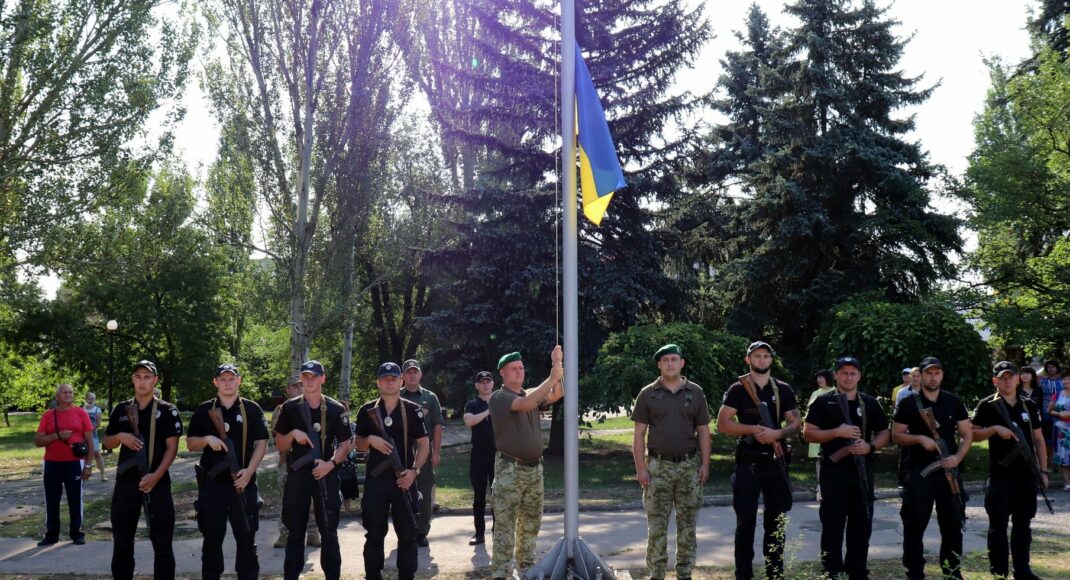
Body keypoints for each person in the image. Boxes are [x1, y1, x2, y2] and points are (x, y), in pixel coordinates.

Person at [716, 341, 800, 580]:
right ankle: (744, 575)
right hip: (749, 464)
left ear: (771, 360)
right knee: (746, 524)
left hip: (776, 462)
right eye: (757, 356)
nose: (762, 360)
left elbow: (795, 423)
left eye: (766, 356)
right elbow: (723, 424)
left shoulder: (782, 389)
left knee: (776, 524)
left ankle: (775, 574)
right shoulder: (738, 389)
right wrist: (752, 429)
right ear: (748, 360)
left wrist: (778, 434)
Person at [803, 356, 890, 579]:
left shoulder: (869, 403)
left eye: (853, 373)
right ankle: (831, 571)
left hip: (862, 471)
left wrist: (869, 447)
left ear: (859, 376)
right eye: (844, 372)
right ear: (836, 375)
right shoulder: (823, 402)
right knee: (832, 525)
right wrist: (836, 432)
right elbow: (808, 433)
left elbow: (884, 432)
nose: (848, 377)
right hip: (834, 473)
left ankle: (857, 571)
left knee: (862, 524)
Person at [631, 344, 711, 580]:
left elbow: (704, 432)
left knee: (688, 526)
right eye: (665, 360)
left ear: (682, 363)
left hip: (689, 467)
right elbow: (638, 434)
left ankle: (684, 573)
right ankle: (656, 573)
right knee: (657, 526)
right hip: (658, 467)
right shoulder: (648, 393)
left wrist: (705, 465)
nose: (670, 364)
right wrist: (640, 468)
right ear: (659, 364)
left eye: (674, 359)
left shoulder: (695, 392)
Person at [186, 363, 270, 580]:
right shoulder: (204, 410)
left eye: (231, 378)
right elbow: (190, 443)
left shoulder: (252, 409)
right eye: (222, 379)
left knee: (247, 541)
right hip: (213, 486)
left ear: (239, 381)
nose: (227, 383)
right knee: (212, 541)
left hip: (244, 483)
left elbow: (262, 442)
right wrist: (207, 439)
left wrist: (250, 471)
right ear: (215, 382)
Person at [892, 356, 972, 580]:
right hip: (919, 472)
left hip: (949, 472)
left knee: (952, 525)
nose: (933, 376)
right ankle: (915, 572)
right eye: (928, 373)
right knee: (914, 525)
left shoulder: (953, 401)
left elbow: (967, 434)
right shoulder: (908, 402)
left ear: (942, 375)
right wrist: (919, 439)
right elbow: (896, 435)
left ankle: (952, 572)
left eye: (937, 373)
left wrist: (957, 457)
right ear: (921, 375)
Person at [274, 360, 353, 580]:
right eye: (305, 377)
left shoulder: (336, 409)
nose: (309, 381)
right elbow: (280, 444)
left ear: (322, 379)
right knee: (295, 533)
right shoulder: (289, 408)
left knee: (329, 532)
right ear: (301, 379)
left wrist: (331, 464)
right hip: (298, 476)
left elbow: (346, 444)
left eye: (314, 377)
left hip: (325, 473)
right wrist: (292, 435)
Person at [103, 360, 182, 580]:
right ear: (133, 379)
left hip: (157, 483)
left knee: (163, 545)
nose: (142, 381)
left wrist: (155, 476)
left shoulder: (168, 411)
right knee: (122, 544)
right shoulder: (121, 409)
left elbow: (172, 448)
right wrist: (120, 436)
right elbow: (107, 442)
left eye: (147, 377)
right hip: (126, 484)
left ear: (155, 380)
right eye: (138, 376)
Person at [489, 347, 564, 580]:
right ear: (503, 373)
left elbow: (556, 394)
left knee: (531, 524)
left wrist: (557, 367)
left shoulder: (529, 394)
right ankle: (501, 573)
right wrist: (551, 377)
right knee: (505, 526)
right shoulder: (499, 397)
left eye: (521, 367)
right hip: (510, 470)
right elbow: (526, 404)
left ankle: (526, 570)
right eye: (513, 368)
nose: (519, 371)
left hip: (534, 471)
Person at [971, 361, 1048, 580]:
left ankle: (1022, 570)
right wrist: (994, 429)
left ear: (1017, 378)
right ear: (995, 380)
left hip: (1026, 476)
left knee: (1023, 526)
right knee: (998, 527)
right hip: (1000, 475)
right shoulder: (987, 405)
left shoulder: (1028, 405)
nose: (1007, 380)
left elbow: (1039, 440)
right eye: (1002, 377)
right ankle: (999, 573)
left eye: (1010, 376)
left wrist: (1043, 471)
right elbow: (971, 434)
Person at [354, 362, 430, 580]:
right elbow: (357, 444)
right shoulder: (367, 410)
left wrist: (414, 471)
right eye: (385, 378)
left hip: (403, 480)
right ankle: (373, 576)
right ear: (378, 383)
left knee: (407, 535)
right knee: (374, 533)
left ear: (401, 381)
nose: (389, 381)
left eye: (393, 378)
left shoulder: (412, 410)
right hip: (376, 481)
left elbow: (424, 444)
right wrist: (370, 440)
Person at [34, 383, 94, 546]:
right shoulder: (48, 415)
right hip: (52, 463)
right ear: (57, 396)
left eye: (71, 392)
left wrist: (88, 466)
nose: (68, 394)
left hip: (75, 463)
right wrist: (57, 435)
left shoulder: (81, 413)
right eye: (64, 392)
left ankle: (77, 533)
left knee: (75, 499)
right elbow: (38, 441)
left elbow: (90, 441)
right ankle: (52, 534)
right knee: (51, 499)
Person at [399, 359, 443, 547]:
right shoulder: (395, 395)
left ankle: (421, 531)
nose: (412, 375)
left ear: (420, 375)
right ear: (403, 376)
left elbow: (437, 426)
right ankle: (405, 530)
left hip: (424, 450)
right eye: (408, 372)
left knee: (424, 490)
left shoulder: (430, 397)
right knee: (401, 491)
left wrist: (436, 453)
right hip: (401, 452)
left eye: (415, 372)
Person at [272, 375, 319, 548]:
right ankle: (285, 533)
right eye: (294, 386)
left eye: (301, 385)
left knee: (314, 499)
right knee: (287, 499)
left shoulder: (315, 405)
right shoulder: (281, 409)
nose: (299, 388)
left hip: (311, 460)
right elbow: (278, 437)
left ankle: (313, 533)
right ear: (287, 390)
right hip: (288, 462)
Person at [463, 370, 497, 545]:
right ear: (477, 385)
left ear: (492, 384)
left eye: (488, 381)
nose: (485, 384)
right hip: (478, 455)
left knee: (497, 495)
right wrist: (488, 412)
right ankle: (479, 533)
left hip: (497, 455)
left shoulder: (499, 402)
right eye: (482, 382)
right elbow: (469, 421)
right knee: (479, 496)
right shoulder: (472, 404)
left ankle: (498, 531)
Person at [806, 369, 835, 499]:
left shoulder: (836, 392)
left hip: (831, 432)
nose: (819, 380)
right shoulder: (815, 393)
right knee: (819, 458)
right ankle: (820, 484)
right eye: (817, 378)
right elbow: (809, 411)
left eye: (821, 378)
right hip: (816, 430)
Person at [1040, 360, 1062, 474]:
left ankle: (1057, 463)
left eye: (1053, 367)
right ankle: (1047, 461)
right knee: (1045, 435)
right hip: (1044, 408)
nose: (1051, 369)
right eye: (1048, 367)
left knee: (1057, 434)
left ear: (1057, 368)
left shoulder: (1063, 381)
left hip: (1059, 408)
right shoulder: (1042, 381)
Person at [1049, 368, 1070, 490]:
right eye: (1065, 378)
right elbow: (1049, 410)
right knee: (1063, 456)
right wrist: (1058, 414)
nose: (1067, 380)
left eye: (1069, 378)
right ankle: (1067, 482)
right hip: (1061, 430)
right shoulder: (1057, 394)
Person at [83, 392, 106, 480]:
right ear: (85, 399)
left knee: (96, 454)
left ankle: (103, 474)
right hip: (83, 436)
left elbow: (98, 423)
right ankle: (87, 474)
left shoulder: (97, 410)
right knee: (85, 454)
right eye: (89, 398)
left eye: (92, 399)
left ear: (95, 400)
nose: (91, 400)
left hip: (93, 435)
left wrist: (90, 430)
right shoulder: (82, 409)